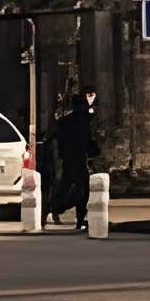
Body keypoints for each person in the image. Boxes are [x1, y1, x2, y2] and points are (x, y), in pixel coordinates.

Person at [51, 92, 96, 232]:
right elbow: (87, 139)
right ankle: (75, 215)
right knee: (83, 190)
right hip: (78, 159)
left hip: (69, 159)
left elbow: (60, 141)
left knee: (67, 186)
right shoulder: (83, 120)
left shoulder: (65, 121)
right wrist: (92, 150)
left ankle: (56, 208)